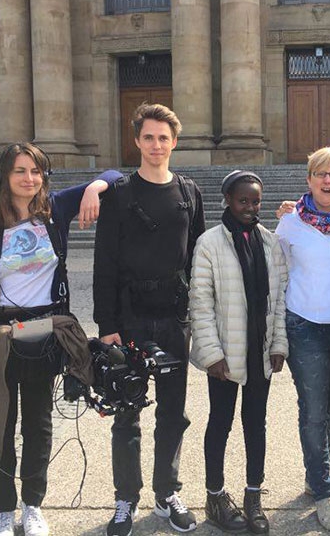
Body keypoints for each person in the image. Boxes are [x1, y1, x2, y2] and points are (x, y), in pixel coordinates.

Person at [0, 142, 121, 536]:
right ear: (5, 176)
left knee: (38, 423)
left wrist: (92, 190)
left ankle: (33, 506)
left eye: (36, 172)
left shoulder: (56, 210)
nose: (30, 179)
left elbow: (115, 176)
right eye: (20, 171)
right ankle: (3, 511)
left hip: (44, 332)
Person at [93, 103, 205, 535]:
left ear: (174, 142)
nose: (156, 145)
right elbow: (104, 264)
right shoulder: (119, 195)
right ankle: (125, 498)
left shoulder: (189, 192)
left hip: (174, 319)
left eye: (164, 138)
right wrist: (107, 327)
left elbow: (198, 258)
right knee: (127, 413)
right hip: (130, 318)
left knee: (173, 414)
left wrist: (199, 316)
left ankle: (167, 492)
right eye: (148, 137)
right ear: (137, 142)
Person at [188, 170, 288, 534]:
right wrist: (211, 353)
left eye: (255, 201)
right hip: (225, 356)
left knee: (255, 424)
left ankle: (253, 495)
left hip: (259, 351)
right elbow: (200, 302)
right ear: (227, 200)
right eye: (243, 200)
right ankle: (215, 495)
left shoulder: (269, 242)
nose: (250, 207)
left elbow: (279, 298)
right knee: (220, 423)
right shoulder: (209, 243)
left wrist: (279, 344)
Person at [275, 147, 330, 532]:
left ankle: (316, 478)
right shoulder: (290, 222)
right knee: (312, 408)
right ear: (308, 179)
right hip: (305, 324)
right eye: (320, 174)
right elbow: (278, 273)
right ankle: (324, 492)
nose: (328, 181)